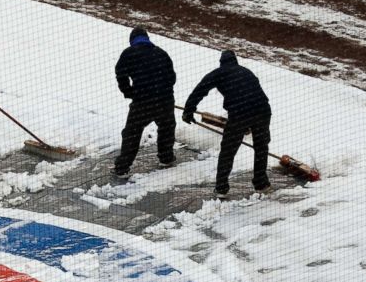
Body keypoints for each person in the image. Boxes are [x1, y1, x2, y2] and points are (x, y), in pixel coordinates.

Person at [183, 50, 272, 198]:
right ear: (235, 61)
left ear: (221, 62)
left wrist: (189, 110)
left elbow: (200, 90)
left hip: (239, 113)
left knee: (228, 150)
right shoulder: (246, 71)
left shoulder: (218, 73)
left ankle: (221, 188)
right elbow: (253, 92)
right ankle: (261, 183)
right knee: (261, 147)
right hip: (262, 110)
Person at [112, 27, 177, 179]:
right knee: (167, 128)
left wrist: (128, 91)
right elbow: (172, 77)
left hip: (142, 102)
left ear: (132, 40)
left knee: (132, 133)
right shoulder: (161, 53)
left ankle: (122, 168)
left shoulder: (129, 53)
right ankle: (166, 158)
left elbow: (120, 73)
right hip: (164, 100)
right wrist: (163, 90)